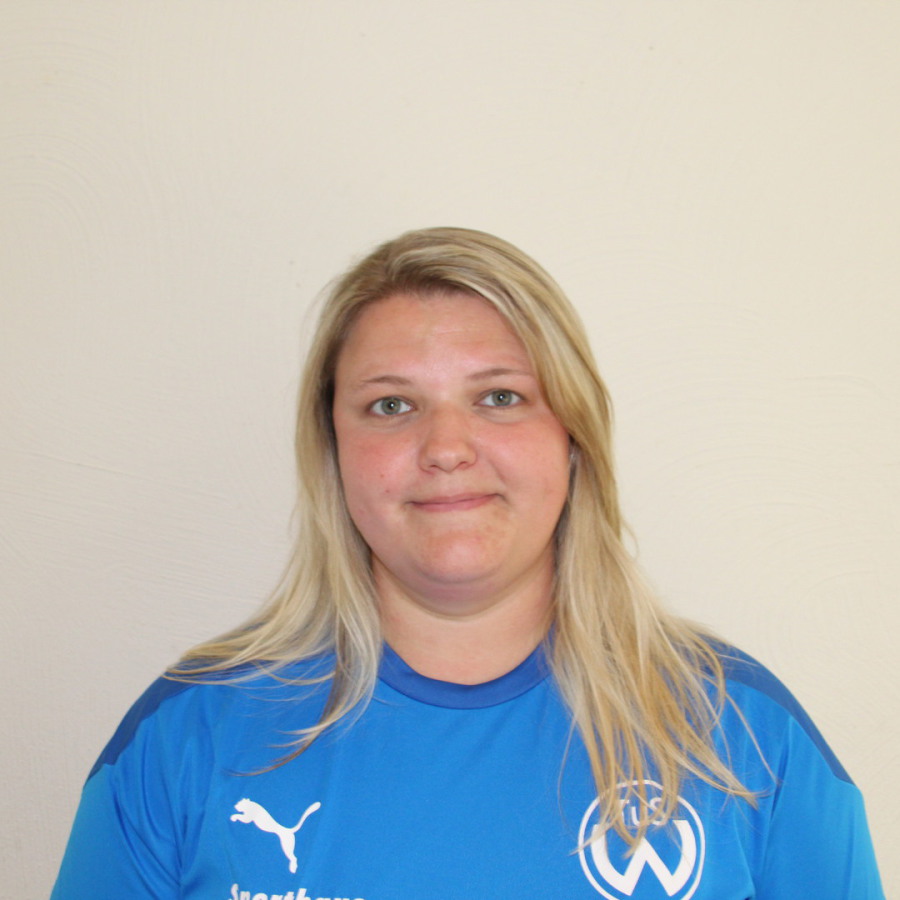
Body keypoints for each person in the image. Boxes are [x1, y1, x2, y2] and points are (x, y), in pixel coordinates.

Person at [51, 227, 884, 899]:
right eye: (391, 404)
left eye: (499, 397)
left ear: (573, 438)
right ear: (333, 450)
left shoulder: (742, 735)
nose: (446, 447)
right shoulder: (190, 735)